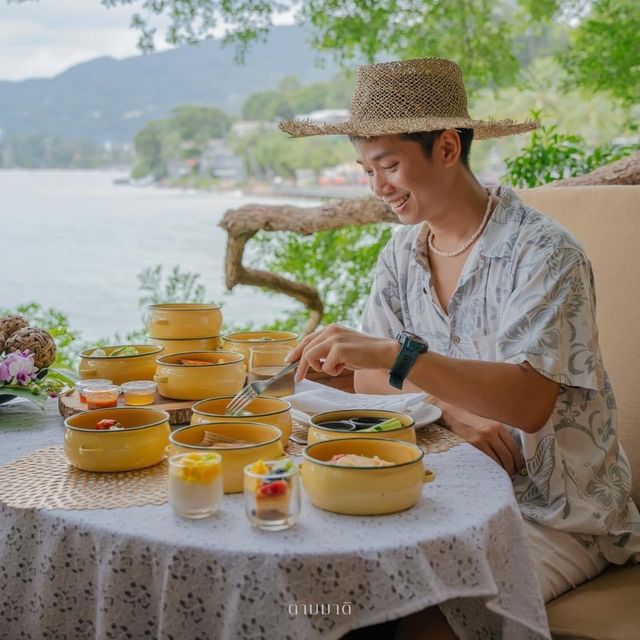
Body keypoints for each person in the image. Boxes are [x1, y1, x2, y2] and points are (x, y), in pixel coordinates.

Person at [281, 58, 640, 639]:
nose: (377, 189)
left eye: (389, 166)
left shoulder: (543, 253)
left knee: (413, 620)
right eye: (365, 170)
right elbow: (374, 381)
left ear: (447, 148)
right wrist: (447, 408)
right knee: (323, 586)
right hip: (439, 493)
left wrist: (396, 358)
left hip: (556, 514)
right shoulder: (401, 254)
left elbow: (527, 403)